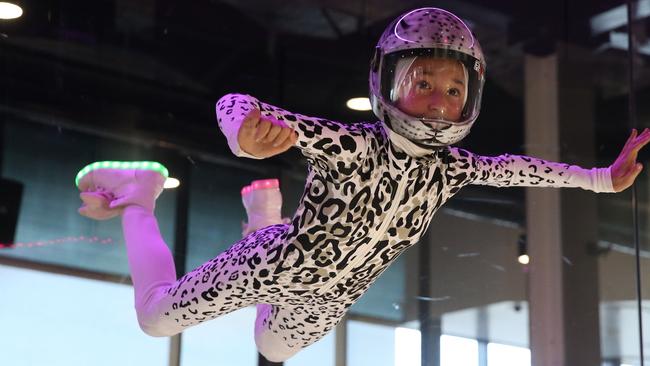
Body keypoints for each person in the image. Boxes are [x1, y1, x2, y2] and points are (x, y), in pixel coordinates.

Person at [75, 7, 650, 362]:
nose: (438, 98)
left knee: (269, 348)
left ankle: (261, 216)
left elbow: (524, 168)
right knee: (155, 320)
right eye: (422, 80)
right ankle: (139, 198)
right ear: (387, 82)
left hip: (329, 301)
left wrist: (601, 179)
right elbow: (234, 101)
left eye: (453, 90)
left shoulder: (454, 168)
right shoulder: (351, 144)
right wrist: (244, 136)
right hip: (274, 265)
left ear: (471, 98)